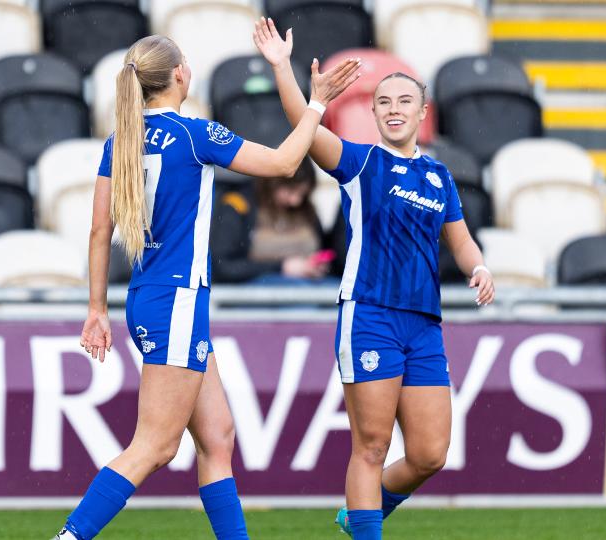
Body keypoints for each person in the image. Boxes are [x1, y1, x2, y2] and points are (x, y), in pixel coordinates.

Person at [54, 35, 360, 540]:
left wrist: (95, 309)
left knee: (217, 437)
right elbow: (286, 163)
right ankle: (71, 536)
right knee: (154, 446)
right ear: (179, 75)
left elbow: (97, 232)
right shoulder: (195, 134)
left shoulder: (120, 140)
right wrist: (318, 103)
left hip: (149, 296)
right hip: (176, 299)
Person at [253, 18, 495, 540]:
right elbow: (304, 125)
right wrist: (283, 70)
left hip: (424, 326)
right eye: (382, 102)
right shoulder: (360, 163)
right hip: (370, 316)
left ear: (422, 113)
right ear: (372, 111)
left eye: (403, 101)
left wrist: (477, 265)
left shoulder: (440, 175)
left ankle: (359, 515)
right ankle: (365, 528)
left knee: (431, 454)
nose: (392, 109)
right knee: (372, 446)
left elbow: (460, 238)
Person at [211, 160, 343, 283]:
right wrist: (282, 267)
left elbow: (326, 247)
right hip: (256, 287)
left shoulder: (306, 209)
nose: (295, 200)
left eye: (302, 193)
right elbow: (222, 266)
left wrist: (320, 264)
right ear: (272, 183)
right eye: (290, 191)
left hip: (311, 283)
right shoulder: (239, 204)